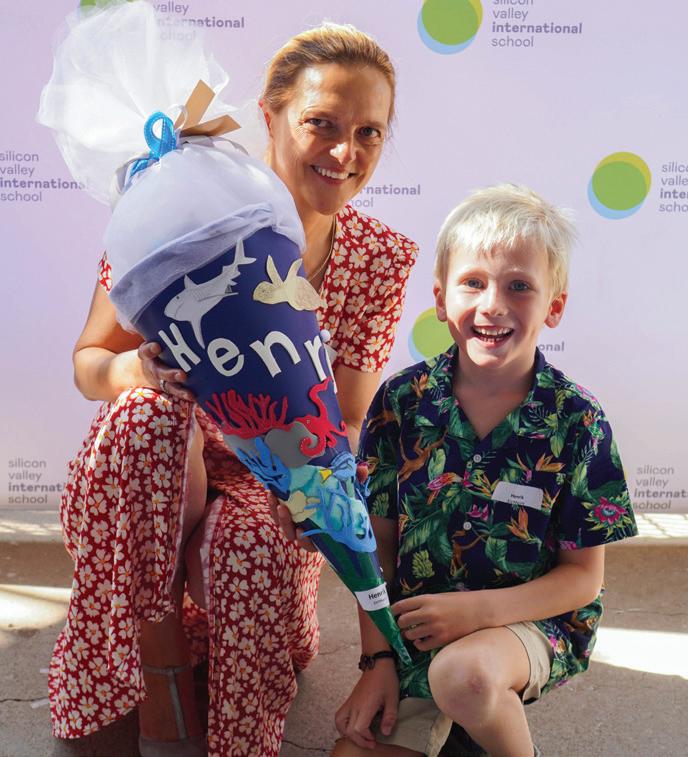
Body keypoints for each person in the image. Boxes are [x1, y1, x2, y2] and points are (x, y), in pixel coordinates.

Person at [48, 22, 418, 757]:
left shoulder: (381, 256)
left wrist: (311, 491)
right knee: (148, 417)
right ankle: (155, 668)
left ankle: (240, 724)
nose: (344, 152)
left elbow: (346, 419)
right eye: (322, 123)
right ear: (269, 116)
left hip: (268, 487)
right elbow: (90, 362)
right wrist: (137, 370)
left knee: (246, 541)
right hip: (156, 477)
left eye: (368, 132)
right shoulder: (177, 212)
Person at [331, 184, 637, 757]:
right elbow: (377, 550)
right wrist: (377, 661)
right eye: (473, 282)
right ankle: (459, 727)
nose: (493, 304)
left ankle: (482, 716)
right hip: (419, 634)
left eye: (519, 286)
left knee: (465, 678)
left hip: (529, 625)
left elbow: (582, 579)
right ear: (440, 299)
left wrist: (478, 613)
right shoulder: (401, 401)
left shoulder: (577, 420)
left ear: (554, 307)